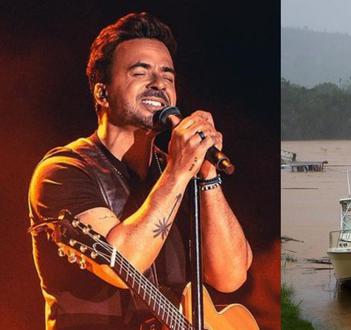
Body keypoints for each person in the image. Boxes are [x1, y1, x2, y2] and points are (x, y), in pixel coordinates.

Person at [28, 12, 252, 329]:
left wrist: (206, 176)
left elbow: (230, 276)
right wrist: (177, 173)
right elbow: (124, 263)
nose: (158, 83)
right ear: (102, 93)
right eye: (140, 72)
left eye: (167, 76)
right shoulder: (64, 170)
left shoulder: (179, 171)